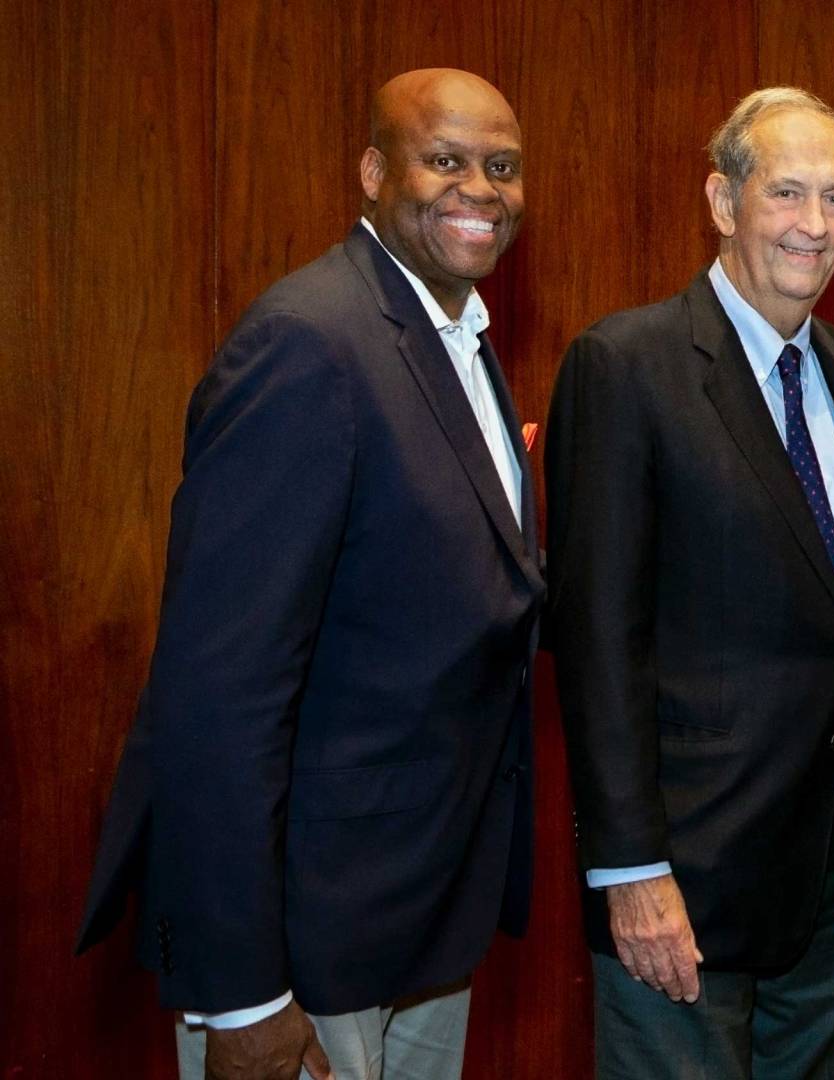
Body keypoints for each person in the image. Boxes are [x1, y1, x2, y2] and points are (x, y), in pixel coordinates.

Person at [73, 69, 542, 1079]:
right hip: (301, 946)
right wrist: (242, 993)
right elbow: (218, 689)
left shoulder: (455, 336)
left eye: (501, 167)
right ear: (374, 172)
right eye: (446, 160)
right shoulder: (308, 342)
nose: (481, 189)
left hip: (416, 922)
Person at [543, 86, 834, 1079]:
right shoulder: (625, 368)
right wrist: (629, 871)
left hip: (832, 883)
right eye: (787, 192)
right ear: (723, 202)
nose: (815, 226)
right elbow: (597, 643)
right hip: (685, 886)